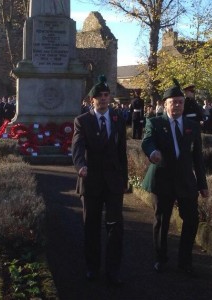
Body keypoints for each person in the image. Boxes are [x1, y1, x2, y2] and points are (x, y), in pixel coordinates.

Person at [141, 82, 209, 275]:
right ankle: (161, 258)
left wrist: (202, 185)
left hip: (186, 180)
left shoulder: (192, 126)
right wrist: (153, 152)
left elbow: (197, 158)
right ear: (165, 104)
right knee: (162, 221)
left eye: (180, 102)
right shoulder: (155, 123)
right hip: (162, 179)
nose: (178, 105)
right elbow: (147, 141)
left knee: (192, 220)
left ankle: (185, 260)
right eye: (173, 102)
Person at [72, 75, 128, 286]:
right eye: (99, 96)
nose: (103, 99)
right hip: (91, 179)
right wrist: (80, 166)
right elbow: (77, 148)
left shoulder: (117, 119)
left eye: (106, 95)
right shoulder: (82, 121)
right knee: (92, 226)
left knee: (115, 227)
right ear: (92, 100)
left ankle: (113, 270)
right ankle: (92, 267)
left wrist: (124, 180)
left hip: (113, 181)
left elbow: (121, 151)